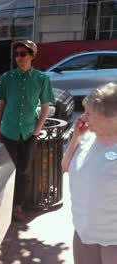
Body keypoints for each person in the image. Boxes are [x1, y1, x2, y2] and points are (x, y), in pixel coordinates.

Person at [0, 40, 55, 221]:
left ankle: (18, 206)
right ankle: (3, 205)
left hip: (29, 133)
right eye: (17, 54)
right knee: (6, 171)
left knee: (24, 171)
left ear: (32, 56)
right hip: (8, 131)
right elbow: (0, 104)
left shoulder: (42, 79)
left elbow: (45, 107)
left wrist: (36, 131)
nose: (19, 57)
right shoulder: (8, 77)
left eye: (23, 54)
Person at [62, 83, 117, 264]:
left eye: (89, 113)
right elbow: (66, 166)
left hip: (112, 241)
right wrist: (75, 139)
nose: (83, 118)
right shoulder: (87, 138)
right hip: (83, 233)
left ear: (110, 117)